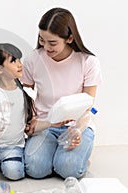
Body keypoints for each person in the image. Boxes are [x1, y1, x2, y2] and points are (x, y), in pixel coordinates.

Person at [21, 7, 102, 179]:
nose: (46, 47)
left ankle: (75, 158)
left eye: (52, 43)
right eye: (42, 40)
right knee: (35, 168)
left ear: (70, 39)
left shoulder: (88, 62)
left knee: (68, 170)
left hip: (77, 125)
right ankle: (58, 155)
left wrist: (79, 130)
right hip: (46, 125)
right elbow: (24, 95)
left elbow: (89, 106)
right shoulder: (34, 59)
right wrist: (31, 121)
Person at [0, 43, 36, 180]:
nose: (19, 64)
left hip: (12, 146)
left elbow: (32, 118)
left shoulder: (25, 93)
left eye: (19, 60)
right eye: (13, 61)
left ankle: (8, 161)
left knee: (14, 172)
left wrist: (32, 123)